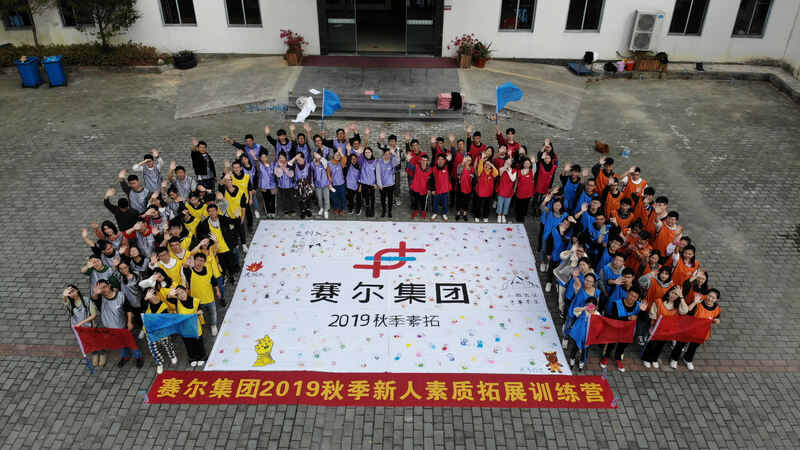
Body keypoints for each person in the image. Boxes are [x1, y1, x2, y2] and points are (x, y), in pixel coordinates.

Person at [91, 279, 143, 368]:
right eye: (100, 288)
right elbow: (94, 298)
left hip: (122, 326)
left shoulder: (121, 296)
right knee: (119, 343)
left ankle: (138, 356)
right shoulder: (100, 299)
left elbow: (128, 309)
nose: (103, 290)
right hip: (109, 328)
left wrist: (129, 322)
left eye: (104, 287)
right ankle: (126, 355)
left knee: (130, 342)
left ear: (109, 285)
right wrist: (95, 293)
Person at [669, 288, 721, 371]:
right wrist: (694, 303)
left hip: (701, 332)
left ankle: (688, 359)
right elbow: (687, 312)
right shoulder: (698, 303)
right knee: (680, 344)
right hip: (689, 328)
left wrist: (716, 320)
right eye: (709, 296)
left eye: (713, 298)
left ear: (716, 299)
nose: (710, 299)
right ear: (706, 295)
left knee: (693, 347)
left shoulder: (717, 309)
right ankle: (674, 359)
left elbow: (716, 317)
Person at [600, 287, 645, 372]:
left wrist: (643, 311)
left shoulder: (639, 305)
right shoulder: (616, 303)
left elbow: (643, 319)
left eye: (635, 297)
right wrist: (628, 318)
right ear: (627, 294)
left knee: (623, 346)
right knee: (611, 344)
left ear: (637, 298)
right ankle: (606, 357)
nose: (632, 298)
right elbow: (614, 318)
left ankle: (618, 359)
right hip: (616, 329)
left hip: (628, 331)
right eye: (631, 295)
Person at [642, 286, 688, 368]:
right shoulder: (659, 302)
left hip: (667, 330)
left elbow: (685, 311)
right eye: (672, 292)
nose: (673, 295)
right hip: (656, 328)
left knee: (660, 345)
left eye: (676, 294)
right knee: (651, 343)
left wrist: (681, 297)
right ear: (668, 292)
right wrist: (651, 327)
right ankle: (646, 358)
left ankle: (654, 358)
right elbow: (653, 315)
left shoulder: (677, 306)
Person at [195, 204, 239, 286]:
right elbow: (200, 234)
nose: (212, 213)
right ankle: (224, 276)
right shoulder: (205, 224)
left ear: (217, 211)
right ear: (208, 213)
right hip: (215, 249)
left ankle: (231, 276)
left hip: (227, 246)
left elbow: (235, 223)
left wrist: (237, 217)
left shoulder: (223, 219)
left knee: (230, 263)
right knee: (221, 265)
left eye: (213, 211)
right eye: (210, 211)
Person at [563, 269, 599, 370]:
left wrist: (593, 310)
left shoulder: (596, 294)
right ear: (584, 280)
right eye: (586, 280)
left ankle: (582, 361)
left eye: (591, 281)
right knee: (569, 326)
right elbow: (577, 284)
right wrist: (575, 277)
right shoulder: (580, 287)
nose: (588, 282)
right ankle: (566, 338)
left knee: (585, 348)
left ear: (594, 283)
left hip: (588, 332)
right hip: (578, 315)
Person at [164, 286, 206, 367]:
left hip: (195, 327)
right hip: (184, 328)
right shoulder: (177, 301)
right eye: (178, 294)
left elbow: (200, 310)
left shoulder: (195, 300)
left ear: (186, 291)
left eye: (182, 292)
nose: (181, 295)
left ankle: (202, 356)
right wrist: (169, 295)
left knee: (199, 342)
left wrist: (199, 312)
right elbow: (168, 299)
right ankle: (192, 358)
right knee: (188, 344)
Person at [183, 253, 221, 336]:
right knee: (199, 315)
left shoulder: (208, 270)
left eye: (202, 261)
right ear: (194, 261)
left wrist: (217, 290)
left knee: (213, 312)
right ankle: (200, 327)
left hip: (210, 298)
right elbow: (185, 270)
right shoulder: (190, 272)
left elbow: (213, 281)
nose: (200, 263)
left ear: (204, 262)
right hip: (197, 301)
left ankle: (213, 325)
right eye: (198, 260)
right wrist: (185, 265)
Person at [61, 285, 100, 366]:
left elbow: (93, 315)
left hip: (90, 327)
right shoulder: (70, 303)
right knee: (88, 342)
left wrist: (81, 323)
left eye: (73, 291)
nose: (72, 294)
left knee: (96, 341)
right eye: (69, 293)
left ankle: (102, 354)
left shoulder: (86, 300)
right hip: (80, 329)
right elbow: (64, 300)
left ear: (77, 290)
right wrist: (64, 295)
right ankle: (95, 355)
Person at [141, 288, 177, 374]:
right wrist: (145, 298)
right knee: (154, 349)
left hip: (162, 332)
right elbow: (141, 306)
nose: (152, 297)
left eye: (153, 294)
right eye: (150, 295)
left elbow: (165, 320)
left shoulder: (163, 306)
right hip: (150, 333)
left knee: (167, 345)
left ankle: (172, 356)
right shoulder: (146, 305)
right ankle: (159, 362)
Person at [113, 258, 144, 337]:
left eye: (125, 267)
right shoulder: (121, 278)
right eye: (121, 269)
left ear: (128, 267)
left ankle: (143, 329)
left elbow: (143, 286)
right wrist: (115, 266)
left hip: (138, 301)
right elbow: (115, 272)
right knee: (134, 317)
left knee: (140, 316)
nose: (123, 270)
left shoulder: (136, 275)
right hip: (127, 302)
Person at [219, 172, 248, 251]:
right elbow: (220, 185)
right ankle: (236, 244)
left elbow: (243, 206)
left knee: (241, 230)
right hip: (229, 217)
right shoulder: (224, 193)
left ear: (232, 181)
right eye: (226, 181)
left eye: (229, 180)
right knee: (233, 231)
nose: (228, 182)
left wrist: (242, 217)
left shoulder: (241, 193)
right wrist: (224, 177)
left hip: (238, 216)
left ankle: (243, 244)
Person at [376, 147, 401, 218]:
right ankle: (384, 211)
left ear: (390, 155)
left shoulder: (392, 161)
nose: (387, 156)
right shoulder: (379, 161)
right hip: (383, 185)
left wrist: (395, 154)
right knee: (383, 198)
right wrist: (379, 184)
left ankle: (389, 211)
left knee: (390, 198)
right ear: (383, 154)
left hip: (391, 184)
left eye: (389, 154)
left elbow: (398, 161)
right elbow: (377, 173)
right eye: (386, 154)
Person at [407, 153, 432, 219]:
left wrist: (429, 189)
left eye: (425, 161)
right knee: (416, 200)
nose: (423, 162)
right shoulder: (416, 166)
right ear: (420, 160)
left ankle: (423, 211)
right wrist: (408, 160)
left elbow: (430, 180)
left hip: (424, 188)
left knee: (423, 200)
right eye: (422, 160)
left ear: (427, 161)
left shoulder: (430, 170)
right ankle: (416, 211)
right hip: (416, 187)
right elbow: (410, 167)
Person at [289, 152, 314, 219]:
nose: (299, 161)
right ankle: (303, 210)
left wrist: (307, 184)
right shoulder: (295, 165)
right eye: (298, 160)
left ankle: (308, 209)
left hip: (306, 184)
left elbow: (310, 175)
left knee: (308, 198)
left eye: (300, 160)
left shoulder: (308, 165)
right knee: (300, 198)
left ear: (304, 159)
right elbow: (288, 165)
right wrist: (295, 158)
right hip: (298, 185)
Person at [474, 156, 498, 223]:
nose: (487, 165)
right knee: (478, 205)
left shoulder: (492, 172)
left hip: (488, 192)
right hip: (480, 192)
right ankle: (477, 216)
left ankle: (485, 216)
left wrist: (492, 166)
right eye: (485, 164)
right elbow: (480, 167)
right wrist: (482, 159)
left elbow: (496, 173)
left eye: (488, 164)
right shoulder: (481, 171)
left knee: (486, 206)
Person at [310, 149, 333, 219]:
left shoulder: (324, 163)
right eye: (316, 157)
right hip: (317, 185)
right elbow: (311, 174)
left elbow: (325, 164)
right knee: (319, 198)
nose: (317, 159)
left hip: (325, 184)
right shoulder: (312, 164)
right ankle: (321, 208)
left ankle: (326, 210)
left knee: (326, 198)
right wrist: (312, 183)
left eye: (319, 157)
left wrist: (320, 157)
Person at [430, 153, 453, 221]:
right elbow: (431, 180)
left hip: (445, 189)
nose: (440, 161)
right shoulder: (434, 169)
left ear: (444, 160)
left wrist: (450, 161)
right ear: (437, 160)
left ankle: (444, 213)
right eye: (439, 159)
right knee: (435, 202)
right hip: (436, 189)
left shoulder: (447, 167)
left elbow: (451, 166)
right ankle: (435, 212)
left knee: (445, 202)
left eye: (442, 159)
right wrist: (432, 189)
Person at [255, 150, 277, 218]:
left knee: (273, 200)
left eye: (265, 157)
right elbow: (256, 162)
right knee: (266, 200)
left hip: (272, 185)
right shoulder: (260, 165)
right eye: (262, 157)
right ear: (260, 158)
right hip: (263, 186)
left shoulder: (272, 164)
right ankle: (268, 212)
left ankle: (273, 212)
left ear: (267, 157)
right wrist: (254, 157)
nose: (264, 158)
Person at [358, 147, 379, 217]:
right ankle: (367, 208)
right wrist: (360, 153)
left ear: (371, 153)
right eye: (366, 153)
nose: (367, 154)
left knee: (372, 196)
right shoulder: (363, 160)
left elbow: (378, 173)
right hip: (364, 182)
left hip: (372, 183)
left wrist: (376, 183)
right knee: (366, 196)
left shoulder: (376, 161)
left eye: (368, 152)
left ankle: (372, 209)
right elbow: (359, 161)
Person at [495, 158, 516, 224]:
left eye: (509, 162)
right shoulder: (501, 168)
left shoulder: (514, 170)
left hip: (509, 190)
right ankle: (499, 215)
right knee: (500, 204)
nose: (508, 163)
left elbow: (513, 179)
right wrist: (505, 167)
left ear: (511, 163)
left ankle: (503, 215)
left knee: (506, 204)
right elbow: (500, 173)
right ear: (505, 162)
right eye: (507, 162)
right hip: (501, 189)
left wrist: (509, 171)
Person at [454, 154, 474, 221]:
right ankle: (458, 213)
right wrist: (463, 166)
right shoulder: (460, 165)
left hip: (468, 186)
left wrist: (470, 175)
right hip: (460, 186)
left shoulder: (471, 167)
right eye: (466, 159)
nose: (467, 161)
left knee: (466, 200)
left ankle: (465, 214)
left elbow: (473, 176)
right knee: (458, 200)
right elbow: (458, 175)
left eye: (469, 160)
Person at [328, 149, 347, 216]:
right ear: (333, 155)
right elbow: (328, 174)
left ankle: (342, 209)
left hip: (341, 184)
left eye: (339, 155)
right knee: (334, 198)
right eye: (336, 155)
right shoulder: (329, 163)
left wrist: (341, 153)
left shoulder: (341, 162)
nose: (338, 156)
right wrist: (329, 183)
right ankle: (336, 208)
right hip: (333, 185)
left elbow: (345, 159)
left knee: (343, 197)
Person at [344, 150, 363, 215]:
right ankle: (351, 208)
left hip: (357, 185)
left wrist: (360, 186)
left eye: (355, 158)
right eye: (352, 159)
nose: (354, 160)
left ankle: (359, 208)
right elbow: (348, 157)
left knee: (358, 198)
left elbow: (361, 177)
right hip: (350, 185)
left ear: (357, 159)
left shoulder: (360, 166)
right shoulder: (349, 165)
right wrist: (348, 150)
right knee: (350, 198)